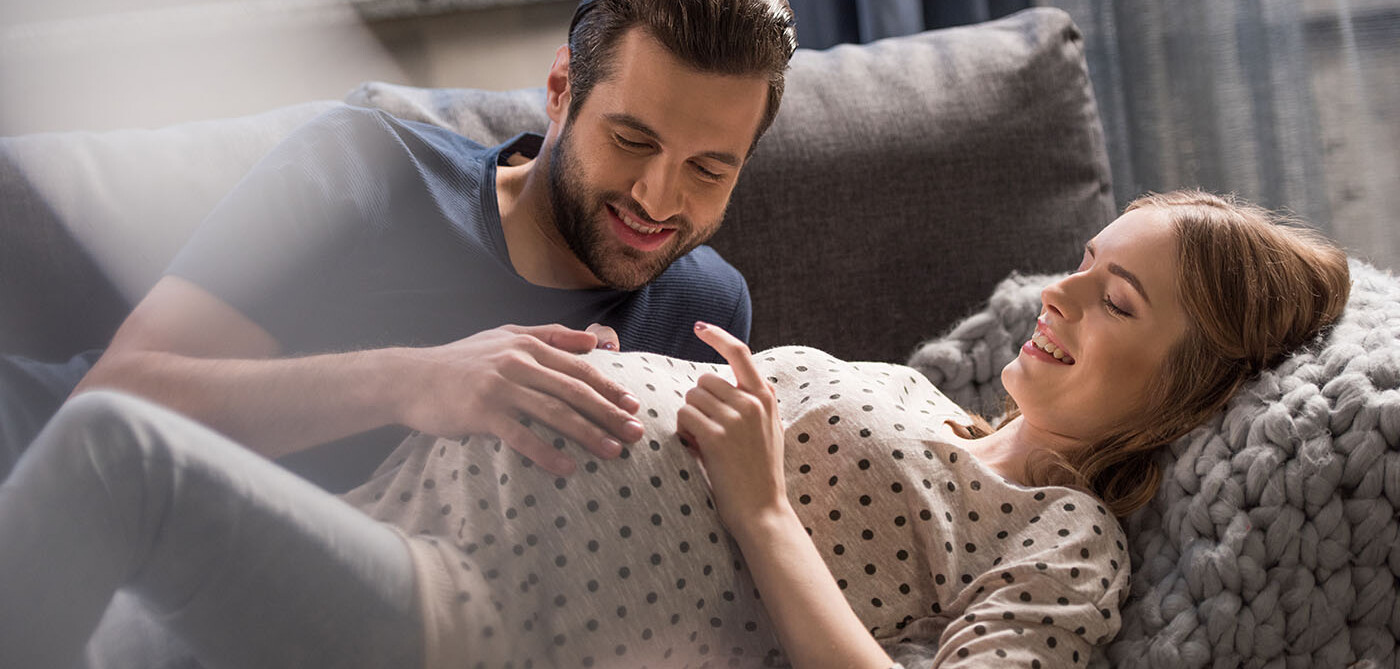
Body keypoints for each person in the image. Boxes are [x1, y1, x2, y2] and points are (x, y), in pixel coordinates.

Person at [0, 190, 1351, 668]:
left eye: (1114, 298)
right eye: (1081, 259)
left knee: (116, 449)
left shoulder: (1061, 544)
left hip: (447, 617)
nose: (1056, 292)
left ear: (1190, 389)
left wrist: (762, 506)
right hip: (377, 519)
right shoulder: (929, 400)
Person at [0, 0, 799, 487]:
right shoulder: (363, 172)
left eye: (707, 168)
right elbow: (107, 408)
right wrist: (417, 380)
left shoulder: (704, 309)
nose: (658, 199)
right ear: (561, 91)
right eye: (630, 139)